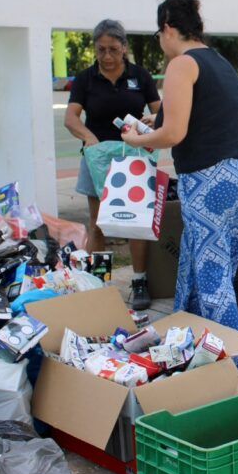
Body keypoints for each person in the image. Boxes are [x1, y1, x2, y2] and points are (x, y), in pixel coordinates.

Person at [122, 0, 238, 355]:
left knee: (212, 278)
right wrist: (156, 121)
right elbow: (202, 115)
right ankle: (186, 343)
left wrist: (140, 138)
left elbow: (174, 134)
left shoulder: (182, 64)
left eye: (158, 34)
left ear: (168, 27)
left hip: (211, 178)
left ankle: (234, 366)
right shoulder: (219, 62)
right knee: (202, 263)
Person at [65, 20, 161, 309]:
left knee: (135, 223)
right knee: (98, 224)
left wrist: (152, 124)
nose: (107, 57)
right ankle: (98, 285)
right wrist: (89, 138)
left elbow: (161, 112)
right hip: (96, 159)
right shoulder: (85, 79)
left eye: (114, 50)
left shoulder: (140, 76)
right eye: (101, 50)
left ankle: (140, 281)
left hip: (132, 159)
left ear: (125, 49)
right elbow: (70, 118)